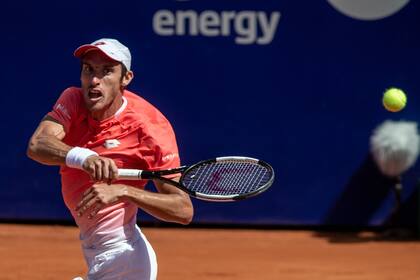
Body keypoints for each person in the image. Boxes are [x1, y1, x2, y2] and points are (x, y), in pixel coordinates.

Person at [26, 38, 194, 280]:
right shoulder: (73, 100)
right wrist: (85, 157)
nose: (95, 80)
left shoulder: (151, 128)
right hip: (98, 250)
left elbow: (183, 209)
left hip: (125, 261)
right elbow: (37, 145)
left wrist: (124, 191)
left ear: (126, 79)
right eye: (88, 69)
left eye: (106, 72)